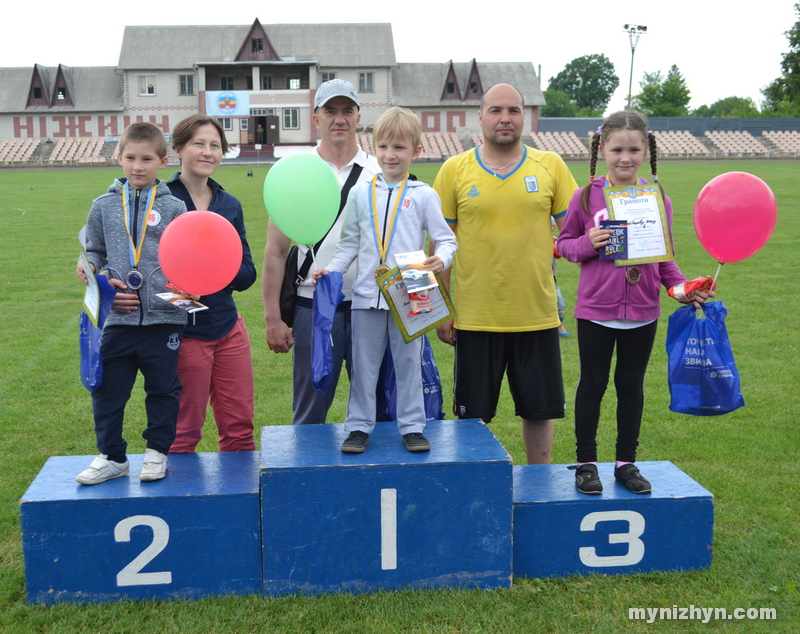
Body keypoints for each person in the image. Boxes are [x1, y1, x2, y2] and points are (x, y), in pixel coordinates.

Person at [556, 111, 715, 495]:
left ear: (646, 150)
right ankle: (586, 463)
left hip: (642, 312)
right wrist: (586, 244)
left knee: (631, 387)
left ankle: (626, 462)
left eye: (633, 149)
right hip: (596, 311)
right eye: (617, 149)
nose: (625, 158)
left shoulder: (658, 198)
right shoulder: (584, 196)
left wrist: (682, 290)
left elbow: (664, 260)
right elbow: (562, 245)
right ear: (602, 149)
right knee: (592, 385)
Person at [432, 83, 578, 465]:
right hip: (475, 317)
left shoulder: (551, 167)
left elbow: (576, 233)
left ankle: (540, 480)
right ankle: (475, 485)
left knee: (540, 408)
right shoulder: (454, 170)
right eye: (496, 110)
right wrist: (443, 311)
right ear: (480, 117)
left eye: (514, 110)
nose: (505, 118)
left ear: (524, 117)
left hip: (536, 314)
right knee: (473, 416)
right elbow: (439, 249)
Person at [313, 106, 457, 453]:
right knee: (364, 366)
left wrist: (441, 258)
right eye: (384, 147)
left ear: (416, 151)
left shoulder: (423, 195)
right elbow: (349, 243)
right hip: (367, 295)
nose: (390, 155)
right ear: (374, 147)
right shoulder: (361, 193)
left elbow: (448, 238)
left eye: (399, 148)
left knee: (409, 363)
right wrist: (331, 270)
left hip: (413, 293)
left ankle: (412, 427)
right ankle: (359, 427)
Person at [262, 79, 379, 425]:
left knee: (375, 407)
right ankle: (304, 478)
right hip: (312, 308)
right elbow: (275, 252)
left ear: (359, 117)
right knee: (310, 410)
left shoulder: (378, 171)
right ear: (316, 119)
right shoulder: (296, 172)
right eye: (330, 111)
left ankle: (373, 479)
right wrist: (272, 317)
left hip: (369, 308)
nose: (339, 119)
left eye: (347, 111)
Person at [75, 122, 187, 484]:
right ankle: (112, 456)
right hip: (119, 318)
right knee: (107, 389)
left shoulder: (174, 207)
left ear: (163, 161)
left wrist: (191, 287)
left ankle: (157, 453)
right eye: (131, 158)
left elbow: (190, 255)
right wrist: (91, 268)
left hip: (164, 317)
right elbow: (94, 249)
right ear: (118, 158)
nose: (138, 166)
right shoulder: (104, 205)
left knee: (163, 389)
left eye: (147, 159)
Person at [166, 115, 257, 453]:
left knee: (240, 429)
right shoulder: (159, 200)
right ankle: (179, 503)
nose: (207, 152)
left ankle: (238, 502)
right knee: (183, 431)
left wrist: (216, 267)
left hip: (228, 328)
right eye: (198, 144)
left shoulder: (228, 204)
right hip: (184, 334)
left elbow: (247, 274)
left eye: (215, 145)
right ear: (178, 149)